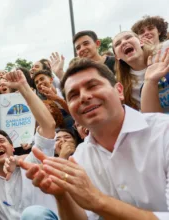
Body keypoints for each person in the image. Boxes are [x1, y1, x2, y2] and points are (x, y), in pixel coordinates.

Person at [21, 58, 169, 220]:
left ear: (119, 90)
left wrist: (97, 201)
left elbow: (96, 203)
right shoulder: (80, 158)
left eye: (93, 86)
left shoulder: (163, 132)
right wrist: (62, 196)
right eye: (73, 95)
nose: (84, 97)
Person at [0, 70, 59, 219]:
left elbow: (49, 126)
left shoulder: (32, 163)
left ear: (12, 148)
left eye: (1, 141)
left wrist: (23, 87)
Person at [113, 31, 169, 110]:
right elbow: (150, 117)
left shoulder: (164, 51)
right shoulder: (121, 83)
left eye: (128, 37)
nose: (124, 42)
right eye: (118, 44)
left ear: (141, 42)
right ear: (116, 57)